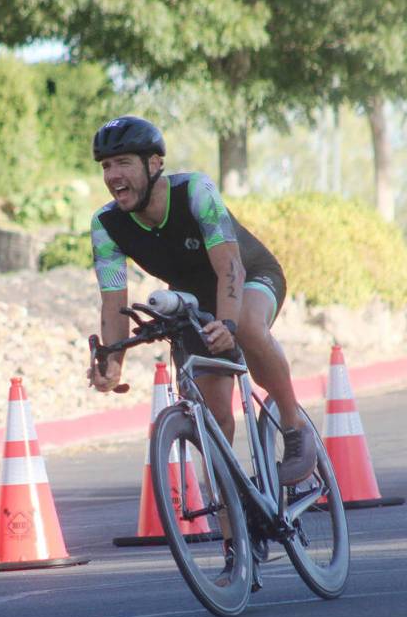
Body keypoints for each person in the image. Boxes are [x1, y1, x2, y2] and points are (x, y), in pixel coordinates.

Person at [87, 115, 315, 487]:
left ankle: (294, 425)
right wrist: (112, 360)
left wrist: (227, 325)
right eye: (106, 166)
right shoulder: (106, 225)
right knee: (215, 419)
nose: (113, 174)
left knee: (246, 325)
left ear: (155, 164)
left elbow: (230, 269)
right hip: (193, 300)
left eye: (124, 162)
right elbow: (114, 302)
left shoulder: (195, 191)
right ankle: (236, 537)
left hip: (249, 274)